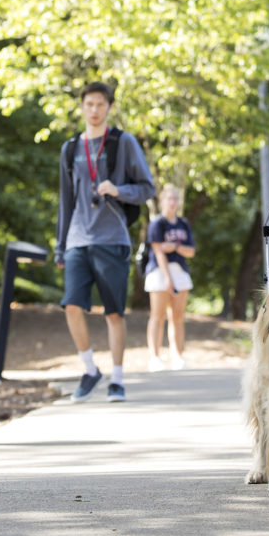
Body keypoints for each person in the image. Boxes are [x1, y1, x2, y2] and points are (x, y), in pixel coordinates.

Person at [56, 81, 155, 403]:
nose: (94, 110)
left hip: (112, 238)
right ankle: (89, 369)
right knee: (71, 305)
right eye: (89, 105)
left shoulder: (122, 142)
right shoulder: (70, 148)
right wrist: (60, 245)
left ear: (109, 107)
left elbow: (146, 188)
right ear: (82, 107)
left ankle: (117, 378)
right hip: (77, 238)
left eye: (100, 104)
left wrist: (118, 190)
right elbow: (65, 201)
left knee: (113, 313)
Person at [144, 186, 196, 372]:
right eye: (169, 199)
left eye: (176, 198)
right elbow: (158, 251)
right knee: (157, 316)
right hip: (160, 272)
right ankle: (155, 357)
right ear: (162, 201)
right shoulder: (157, 224)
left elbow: (190, 251)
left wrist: (173, 246)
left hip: (180, 271)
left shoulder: (183, 224)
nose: (173, 202)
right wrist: (167, 279)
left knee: (177, 317)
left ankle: (178, 356)